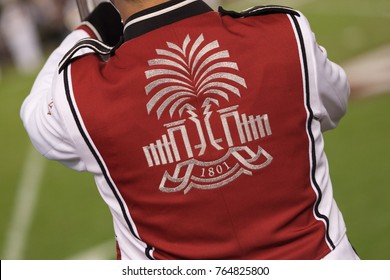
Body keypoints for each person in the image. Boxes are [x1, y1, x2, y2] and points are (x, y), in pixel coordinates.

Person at [21, 0, 359, 260]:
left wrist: (91, 28)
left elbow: (36, 114)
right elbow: (335, 101)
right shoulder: (287, 32)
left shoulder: (78, 92)